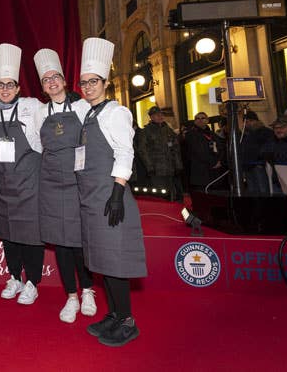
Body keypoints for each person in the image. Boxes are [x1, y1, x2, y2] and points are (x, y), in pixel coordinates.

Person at [75, 37, 147, 347]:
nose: (88, 87)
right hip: (92, 198)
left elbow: (125, 152)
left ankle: (127, 321)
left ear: (106, 82)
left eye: (94, 82)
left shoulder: (116, 113)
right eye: (84, 83)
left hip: (109, 197)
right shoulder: (89, 114)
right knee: (102, 260)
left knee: (115, 262)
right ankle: (114, 314)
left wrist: (117, 192)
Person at [33, 48, 96, 323]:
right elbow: (37, 145)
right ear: (43, 87)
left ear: (64, 80)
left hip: (77, 181)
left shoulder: (82, 107)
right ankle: (71, 296)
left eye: (55, 76)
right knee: (60, 242)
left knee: (80, 239)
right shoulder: (39, 112)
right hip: (50, 183)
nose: (51, 82)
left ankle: (88, 290)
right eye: (46, 79)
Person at [0, 43, 44, 305]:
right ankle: (14, 277)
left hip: (29, 183)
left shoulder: (33, 107)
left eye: (10, 85)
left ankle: (32, 281)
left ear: (19, 88)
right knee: (8, 232)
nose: (5, 89)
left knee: (30, 234)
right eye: (1, 85)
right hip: (1, 183)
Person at [137, 105, 183, 201]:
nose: (160, 116)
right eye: (157, 115)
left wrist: (178, 165)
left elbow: (176, 149)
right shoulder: (146, 132)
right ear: (151, 117)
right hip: (156, 169)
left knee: (173, 193)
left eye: (161, 114)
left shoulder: (168, 130)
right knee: (160, 193)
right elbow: (143, 151)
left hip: (170, 168)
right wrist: (149, 167)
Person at [183, 112, 224, 191]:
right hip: (200, 172)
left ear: (207, 120)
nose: (200, 120)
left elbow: (221, 149)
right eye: (197, 118)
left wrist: (220, 161)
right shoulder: (191, 134)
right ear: (194, 121)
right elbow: (198, 152)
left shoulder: (212, 134)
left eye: (203, 118)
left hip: (214, 171)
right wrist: (213, 162)